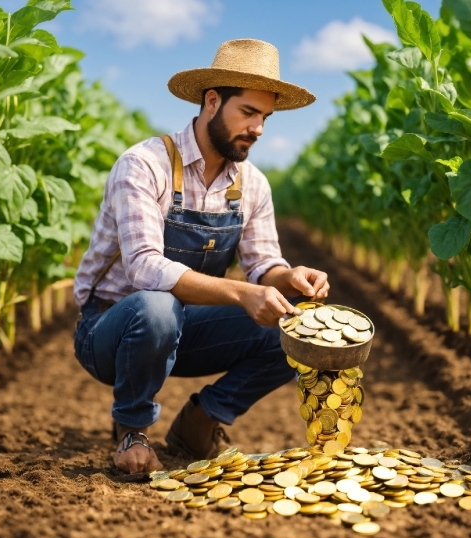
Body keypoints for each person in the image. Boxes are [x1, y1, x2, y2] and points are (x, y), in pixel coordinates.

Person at [73, 39, 330, 474]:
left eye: (264, 118)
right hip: (112, 331)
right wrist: (243, 294)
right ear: (212, 102)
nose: (258, 129)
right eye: (248, 113)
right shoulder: (144, 164)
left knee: (297, 327)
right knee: (157, 306)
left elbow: (264, 265)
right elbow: (144, 267)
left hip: (185, 328)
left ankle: (201, 420)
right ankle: (131, 428)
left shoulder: (252, 184)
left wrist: (291, 278)